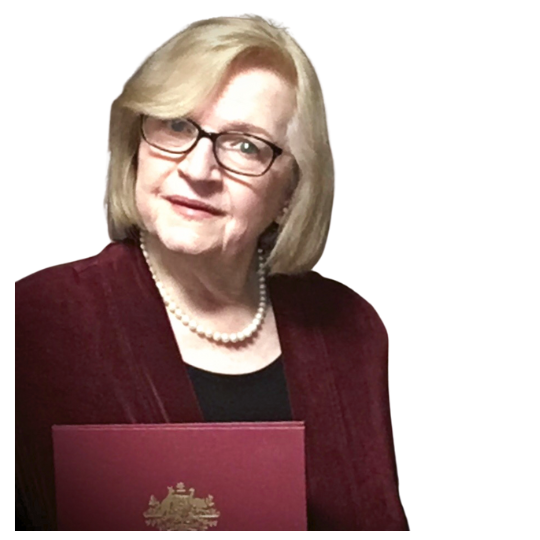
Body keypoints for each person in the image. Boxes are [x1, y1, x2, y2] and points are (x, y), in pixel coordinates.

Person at [16, 15, 409, 530]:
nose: (198, 170)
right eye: (176, 125)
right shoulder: (32, 321)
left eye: (246, 145)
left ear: (289, 192)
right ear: (135, 146)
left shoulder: (351, 332)